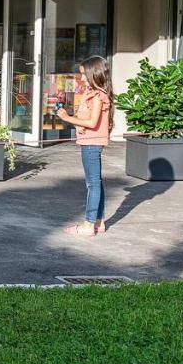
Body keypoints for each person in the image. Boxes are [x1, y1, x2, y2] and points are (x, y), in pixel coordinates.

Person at [59, 56, 113, 237]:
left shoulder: (98, 96)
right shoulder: (91, 94)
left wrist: (67, 118)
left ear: (94, 74)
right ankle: (99, 221)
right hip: (89, 141)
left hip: (92, 143)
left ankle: (89, 224)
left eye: (83, 75)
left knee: (92, 184)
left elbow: (91, 121)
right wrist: (74, 121)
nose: (81, 78)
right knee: (96, 182)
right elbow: (85, 122)